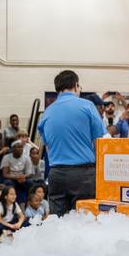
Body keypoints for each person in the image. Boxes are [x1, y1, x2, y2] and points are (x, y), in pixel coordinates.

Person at [38, 70, 106, 216]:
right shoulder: (87, 106)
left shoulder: (47, 113)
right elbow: (99, 141)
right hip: (83, 174)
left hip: (56, 174)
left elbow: (48, 148)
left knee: (57, 221)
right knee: (84, 221)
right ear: (76, 85)